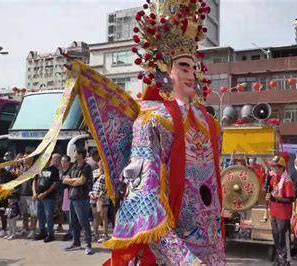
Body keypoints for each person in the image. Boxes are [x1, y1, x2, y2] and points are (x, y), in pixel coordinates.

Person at [99, 1, 225, 264]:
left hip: (211, 246)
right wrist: (183, 259)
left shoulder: (211, 124)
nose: (193, 74)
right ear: (165, 71)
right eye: (183, 67)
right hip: (172, 251)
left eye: (194, 67)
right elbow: (143, 200)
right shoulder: (152, 120)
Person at [63, 148, 94, 255]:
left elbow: (82, 181)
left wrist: (71, 181)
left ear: (80, 154)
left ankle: (88, 244)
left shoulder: (87, 167)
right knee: (73, 221)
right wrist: (74, 181)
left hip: (82, 198)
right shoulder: (74, 166)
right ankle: (76, 242)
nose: (74, 154)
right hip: (72, 197)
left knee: (84, 222)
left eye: (75, 152)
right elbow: (64, 179)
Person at [265, 155, 294, 265]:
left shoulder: (287, 181)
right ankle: (279, 258)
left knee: (283, 237)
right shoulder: (273, 178)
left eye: (274, 167)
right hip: (274, 212)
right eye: (272, 166)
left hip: (283, 214)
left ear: (281, 167)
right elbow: (272, 192)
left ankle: (286, 260)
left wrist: (275, 198)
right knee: (276, 236)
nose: (272, 169)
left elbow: (290, 199)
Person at [34, 154, 60, 243]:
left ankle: (50, 234)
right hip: (38, 197)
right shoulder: (40, 168)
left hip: (48, 197)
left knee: (49, 216)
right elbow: (34, 180)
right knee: (40, 215)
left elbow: (55, 183)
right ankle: (42, 232)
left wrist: (45, 193)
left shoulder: (54, 170)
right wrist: (34, 193)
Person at [15, 150, 37, 239]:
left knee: (33, 213)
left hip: (30, 194)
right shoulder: (22, 168)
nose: (24, 159)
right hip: (22, 193)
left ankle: (33, 230)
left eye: (26, 157)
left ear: (31, 158)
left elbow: (34, 181)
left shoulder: (34, 168)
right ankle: (25, 228)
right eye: (23, 157)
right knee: (24, 213)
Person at [89, 160, 110, 243]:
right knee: (95, 216)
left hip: (103, 197)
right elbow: (90, 184)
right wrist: (90, 193)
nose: (102, 165)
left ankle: (105, 234)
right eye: (100, 163)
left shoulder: (107, 174)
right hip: (93, 197)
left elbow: (108, 186)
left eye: (103, 164)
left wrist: (102, 194)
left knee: (103, 216)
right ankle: (95, 233)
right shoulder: (94, 172)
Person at [60, 155, 73, 241]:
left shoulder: (70, 171)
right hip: (63, 193)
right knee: (66, 212)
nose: (63, 163)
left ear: (68, 162)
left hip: (69, 193)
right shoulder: (61, 171)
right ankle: (70, 230)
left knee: (70, 214)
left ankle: (71, 231)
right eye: (62, 161)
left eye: (64, 161)